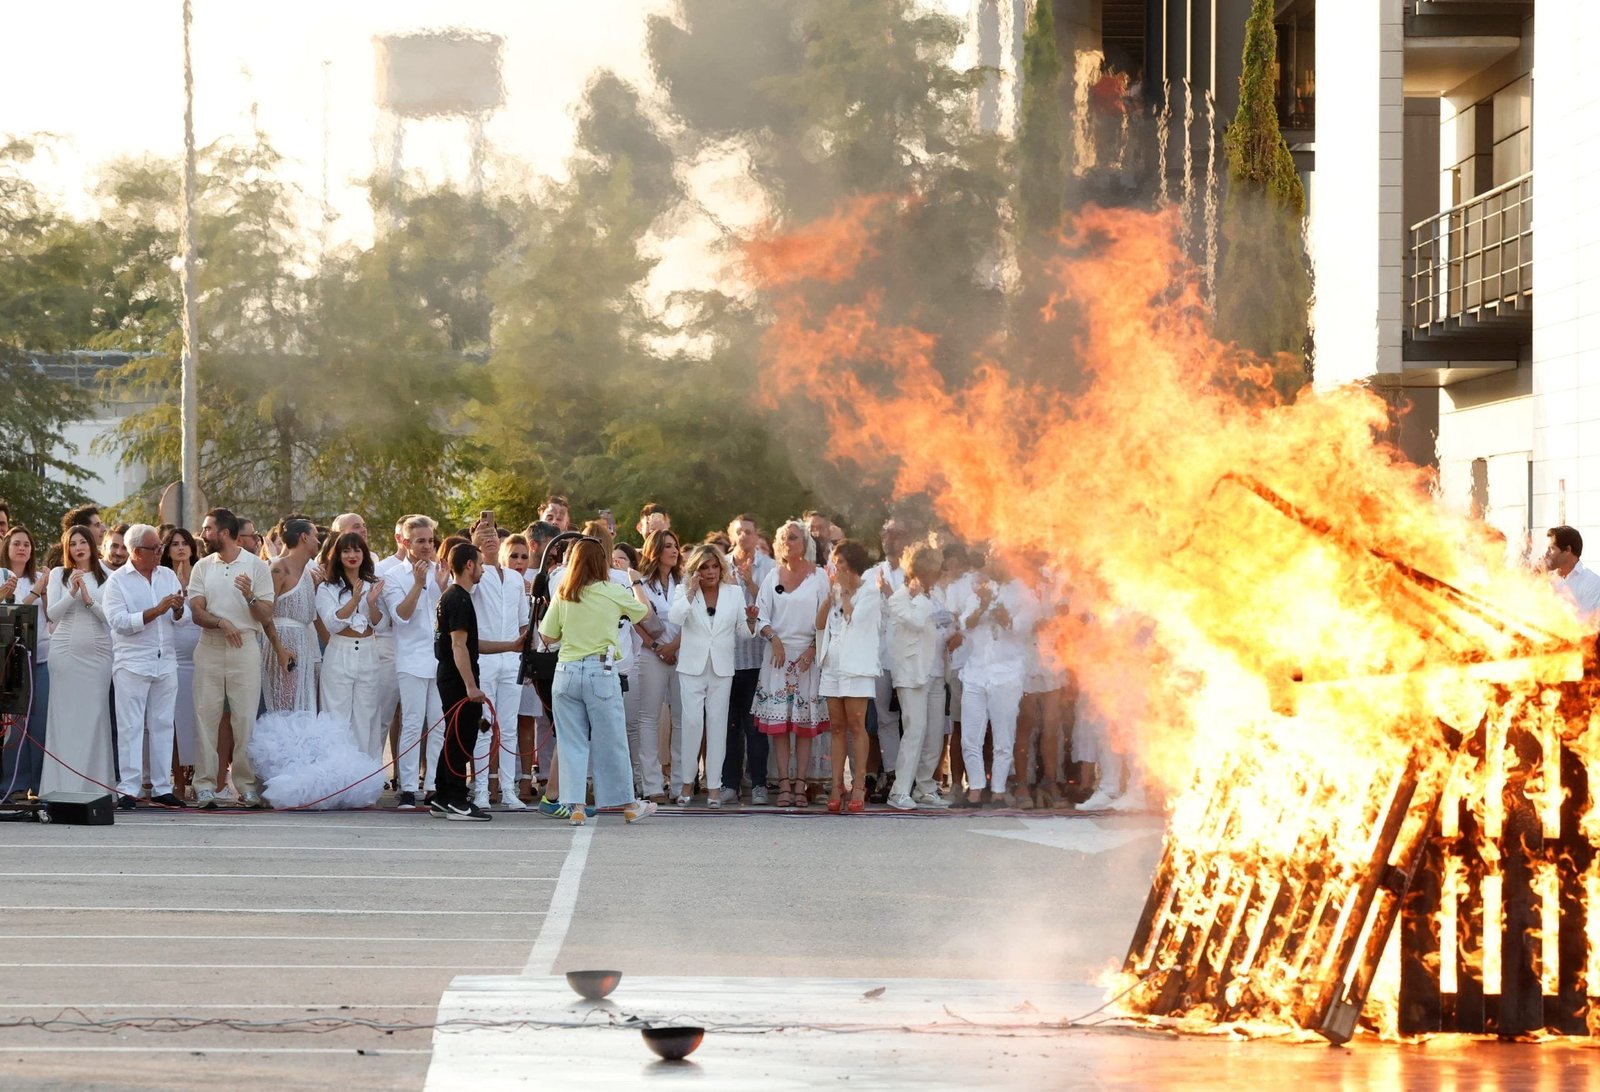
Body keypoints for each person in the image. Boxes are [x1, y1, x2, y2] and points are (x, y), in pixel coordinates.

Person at [537, 535, 656, 826]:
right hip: (599, 671)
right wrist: (638, 584)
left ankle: (575, 805)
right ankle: (628, 803)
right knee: (612, 739)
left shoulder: (565, 592)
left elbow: (547, 635)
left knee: (570, 741)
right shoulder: (612, 590)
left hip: (566, 671)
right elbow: (645, 613)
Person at [187, 508, 276, 809]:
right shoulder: (201, 566)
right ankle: (204, 786)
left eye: (207, 529)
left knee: (244, 718)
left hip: (245, 646)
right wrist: (220, 623)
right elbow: (196, 611)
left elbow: (265, 614)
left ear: (224, 533)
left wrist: (250, 595)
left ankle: (246, 786)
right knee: (205, 716)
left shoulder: (256, 566)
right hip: (210, 644)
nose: (202, 534)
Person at [102, 524, 190, 809]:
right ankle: (129, 788)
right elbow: (120, 623)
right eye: (156, 549)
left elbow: (183, 618)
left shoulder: (167, 575)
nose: (161, 553)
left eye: (160, 547)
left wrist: (177, 609)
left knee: (163, 725)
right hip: (132, 663)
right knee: (130, 727)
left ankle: (162, 787)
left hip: (165, 662)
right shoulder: (117, 581)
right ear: (137, 552)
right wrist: (157, 610)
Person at [752, 520, 831, 806]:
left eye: (794, 538)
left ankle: (802, 785)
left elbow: (827, 619)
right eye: (784, 538)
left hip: (807, 658)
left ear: (805, 543)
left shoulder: (819, 577)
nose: (788, 543)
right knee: (781, 726)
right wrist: (773, 638)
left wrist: (812, 648)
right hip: (777, 657)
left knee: (803, 726)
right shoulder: (772, 576)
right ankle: (784, 784)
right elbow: (761, 616)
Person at [954, 552, 1038, 808]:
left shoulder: (1024, 593)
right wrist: (981, 605)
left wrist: (1001, 612)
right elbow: (964, 624)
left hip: (1007, 672)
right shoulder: (980, 588)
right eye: (991, 557)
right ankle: (976, 789)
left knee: (1003, 736)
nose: (993, 562)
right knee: (970, 736)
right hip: (976, 671)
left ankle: (999, 790)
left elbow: (1020, 628)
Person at [39, 526, 115, 796]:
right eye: (73, 544)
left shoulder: (108, 576)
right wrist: (72, 591)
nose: (78, 548)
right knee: (65, 718)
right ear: (66, 548)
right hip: (64, 652)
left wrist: (88, 600)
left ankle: (97, 788)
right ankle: (60, 787)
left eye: (83, 542)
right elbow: (52, 614)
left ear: (93, 545)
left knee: (95, 716)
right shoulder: (60, 574)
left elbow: (110, 618)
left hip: (98, 653)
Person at [668, 544, 741, 807]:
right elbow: (675, 618)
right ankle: (687, 784)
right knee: (692, 724)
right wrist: (689, 591)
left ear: (721, 568)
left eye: (714, 566)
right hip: (691, 667)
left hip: (721, 668)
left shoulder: (734, 593)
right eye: (704, 567)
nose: (710, 572)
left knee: (718, 726)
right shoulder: (683, 591)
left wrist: (753, 622)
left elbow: (744, 630)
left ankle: (714, 787)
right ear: (695, 570)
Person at [882, 542, 954, 810]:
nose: (936, 576)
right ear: (920, 571)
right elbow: (914, 622)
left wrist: (951, 634)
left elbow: (943, 626)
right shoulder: (899, 597)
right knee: (915, 730)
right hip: (912, 674)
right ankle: (899, 790)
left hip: (936, 672)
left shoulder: (936, 597)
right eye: (932, 571)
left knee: (934, 734)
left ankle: (925, 787)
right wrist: (921, 598)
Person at [383, 516, 447, 806]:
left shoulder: (441, 571)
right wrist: (419, 584)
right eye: (420, 540)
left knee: (437, 723)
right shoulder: (394, 575)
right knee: (412, 723)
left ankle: (433, 783)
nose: (426, 546)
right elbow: (401, 615)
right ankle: (408, 786)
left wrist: (443, 587)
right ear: (405, 542)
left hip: (439, 659)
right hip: (410, 659)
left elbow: (449, 613)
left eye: (430, 540)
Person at [817, 540, 883, 813]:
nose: (836, 567)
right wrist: (829, 597)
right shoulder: (835, 590)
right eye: (835, 562)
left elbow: (853, 620)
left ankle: (858, 785)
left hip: (857, 666)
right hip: (833, 663)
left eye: (840, 562)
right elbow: (820, 624)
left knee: (857, 725)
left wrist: (844, 594)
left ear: (852, 563)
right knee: (837, 727)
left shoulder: (870, 592)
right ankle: (836, 785)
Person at [470, 514, 530, 811]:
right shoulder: (475, 574)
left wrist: (525, 656)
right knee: (484, 725)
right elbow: (464, 593)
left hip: (512, 661)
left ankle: (508, 788)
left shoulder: (516, 577)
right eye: (483, 533)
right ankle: (481, 789)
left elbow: (523, 622)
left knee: (508, 727)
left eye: (493, 532)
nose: (490, 536)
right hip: (485, 658)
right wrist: (474, 551)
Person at [432, 541, 493, 821]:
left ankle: (443, 796)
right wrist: (470, 686)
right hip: (456, 678)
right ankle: (456, 798)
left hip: (451, 674)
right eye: (480, 564)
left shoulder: (455, 596)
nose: (482, 569)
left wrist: (511, 645)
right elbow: (458, 646)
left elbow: (471, 643)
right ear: (469, 565)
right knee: (460, 737)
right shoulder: (458, 598)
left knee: (453, 737)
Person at [316, 532, 385, 761]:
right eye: (346, 550)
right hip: (340, 651)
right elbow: (332, 622)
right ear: (338, 555)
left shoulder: (374, 584)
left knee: (366, 717)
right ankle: (336, 776)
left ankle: (365, 779)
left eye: (357, 550)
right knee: (336, 716)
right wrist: (355, 600)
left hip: (368, 651)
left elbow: (380, 623)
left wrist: (371, 603)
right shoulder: (328, 588)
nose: (352, 555)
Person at [723, 514, 774, 805]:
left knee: (755, 726)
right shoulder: (720, 565)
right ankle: (729, 782)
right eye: (739, 531)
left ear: (757, 537)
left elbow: (771, 608)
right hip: (726, 659)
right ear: (733, 535)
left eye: (749, 532)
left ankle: (758, 784)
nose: (744, 536)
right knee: (730, 725)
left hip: (756, 659)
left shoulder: (770, 568)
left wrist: (751, 583)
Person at [632, 528, 684, 801]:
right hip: (650, 655)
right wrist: (656, 647)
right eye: (667, 546)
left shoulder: (685, 582)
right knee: (649, 718)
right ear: (655, 551)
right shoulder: (640, 583)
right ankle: (651, 784)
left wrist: (673, 647)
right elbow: (635, 619)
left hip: (681, 653)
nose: (674, 551)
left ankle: (679, 784)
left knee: (681, 719)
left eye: (675, 545)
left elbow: (692, 619)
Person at [0, 526, 49, 801]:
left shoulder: (41, 578)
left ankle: (38, 784)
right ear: (7, 548)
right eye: (17, 544)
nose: (22, 549)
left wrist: (44, 591)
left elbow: (51, 614)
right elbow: (14, 616)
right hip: (11, 666)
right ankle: (13, 784)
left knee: (39, 725)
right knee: (15, 726)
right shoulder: (2, 578)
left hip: (40, 659)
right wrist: (31, 594)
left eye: (27, 545)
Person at [160, 528, 202, 797]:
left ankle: (198, 778)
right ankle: (174, 779)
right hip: (169, 654)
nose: (180, 548)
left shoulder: (202, 573)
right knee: (171, 722)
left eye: (185, 543)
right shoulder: (161, 576)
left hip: (198, 654)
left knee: (196, 722)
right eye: (174, 544)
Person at [263, 518, 319, 714]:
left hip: (304, 643)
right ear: (304, 537)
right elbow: (266, 614)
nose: (318, 542)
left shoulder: (309, 573)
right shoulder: (278, 569)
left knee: (301, 707)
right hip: (284, 642)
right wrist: (280, 650)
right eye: (315, 536)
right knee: (284, 707)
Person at [1546, 525, 1600, 625]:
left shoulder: (1592, 582)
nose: (1546, 554)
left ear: (1567, 550)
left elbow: (1586, 626)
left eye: (1551, 549)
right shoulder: (1546, 579)